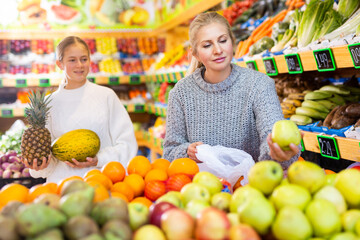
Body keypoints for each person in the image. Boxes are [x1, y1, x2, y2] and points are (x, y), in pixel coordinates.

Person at [163, 12, 300, 169]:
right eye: (207, 45)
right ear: (195, 54)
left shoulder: (259, 85)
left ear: (232, 43)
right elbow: (169, 152)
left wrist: (278, 153)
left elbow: (271, 133)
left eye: (222, 41)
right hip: (201, 187)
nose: (218, 50)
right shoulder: (181, 93)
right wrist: (187, 151)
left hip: (250, 186)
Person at [24, 36, 138, 183]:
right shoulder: (49, 103)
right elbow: (46, 155)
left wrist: (99, 159)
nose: (79, 65)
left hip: (102, 183)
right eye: (72, 60)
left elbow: (127, 144)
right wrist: (40, 164)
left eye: (84, 59)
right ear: (60, 63)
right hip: (60, 186)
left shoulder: (106, 96)